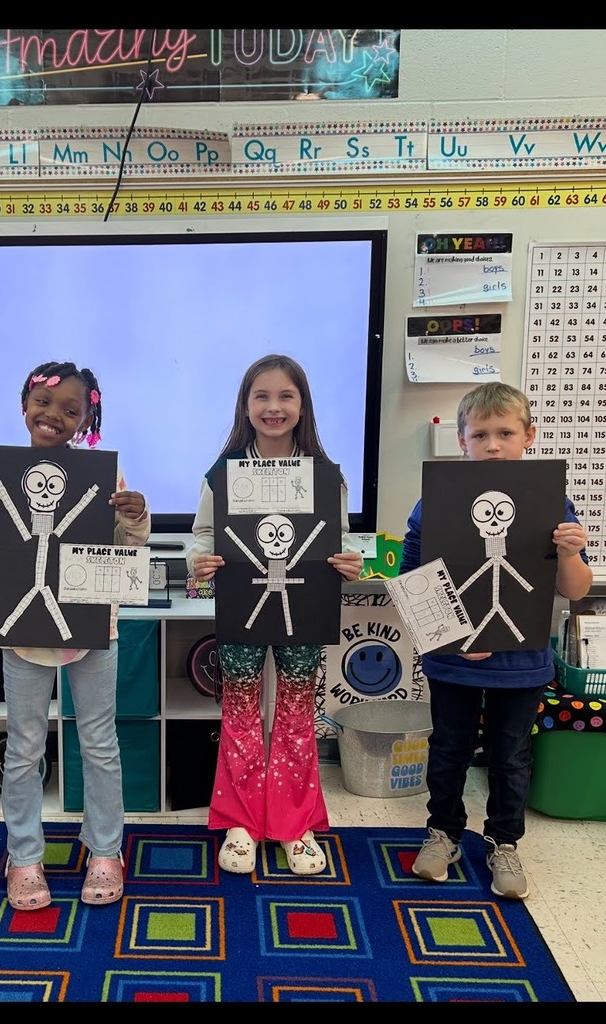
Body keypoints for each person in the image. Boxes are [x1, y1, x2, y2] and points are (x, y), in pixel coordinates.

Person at [0, 360, 150, 910]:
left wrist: (135, 519)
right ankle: (24, 855)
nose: (54, 416)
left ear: (87, 418)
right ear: (24, 405)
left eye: (70, 409)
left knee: (100, 743)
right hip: (22, 632)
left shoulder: (105, 478)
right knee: (24, 748)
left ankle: (106, 849)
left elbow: (125, 558)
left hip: (89, 625)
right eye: (44, 403)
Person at [400, 382, 592, 899]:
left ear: (528, 436)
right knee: (448, 748)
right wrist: (450, 639)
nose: (492, 444)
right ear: (460, 442)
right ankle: (443, 833)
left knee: (511, 755)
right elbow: (414, 582)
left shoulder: (553, 503)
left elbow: (574, 590)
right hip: (455, 660)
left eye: (505, 433)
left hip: (521, 663)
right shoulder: (435, 504)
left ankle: (504, 841)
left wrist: (571, 552)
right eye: (479, 434)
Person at [186, 354, 363, 876]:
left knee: (295, 713)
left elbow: (343, 537)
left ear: (302, 405)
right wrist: (201, 561)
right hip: (241, 604)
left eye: (286, 396)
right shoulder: (223, 475)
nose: (273, 407)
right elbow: (200, 537)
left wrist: (352, 558)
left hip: (307, 607)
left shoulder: (327, 477)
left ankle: (293, 825)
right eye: (261, 396)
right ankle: (240, 822)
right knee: (239, 711)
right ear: (245, 405)